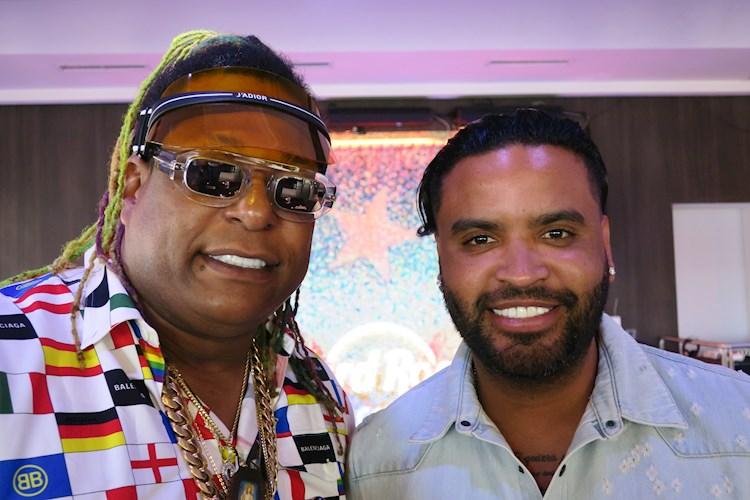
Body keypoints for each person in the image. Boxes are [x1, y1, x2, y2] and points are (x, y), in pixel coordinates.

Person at [0, 30, 354, 499]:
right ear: (132, 186)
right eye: (212, 174)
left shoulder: (321, 396)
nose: (256, 213)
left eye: (294, 189)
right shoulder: (12, 353)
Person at [347, 109, 750, 499]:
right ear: (441, 259)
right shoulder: (377, 461)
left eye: (557, 233)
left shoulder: (739, 424)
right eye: (480, 240)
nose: (522, 274)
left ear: (604, 244)